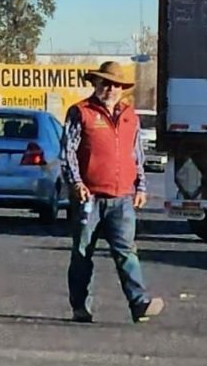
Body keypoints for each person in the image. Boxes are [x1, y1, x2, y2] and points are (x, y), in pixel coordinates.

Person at [61, 61, 164, 324]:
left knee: (127, 251)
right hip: (89, 198)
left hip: (122, 198)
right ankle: (80, 307)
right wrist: (76, 183)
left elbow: (136, 154)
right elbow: (68, 152)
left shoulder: (130, 115)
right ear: (95, 84)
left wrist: (141, 186)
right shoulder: (80, 112)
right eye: (105, 83)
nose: (111, 88)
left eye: (116, 84)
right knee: (83, 252)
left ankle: (139, 303)